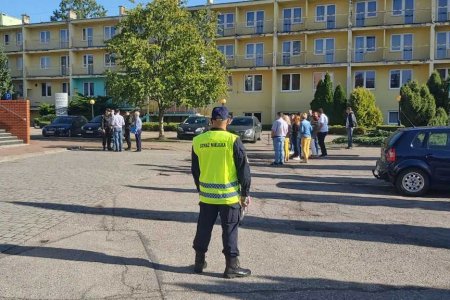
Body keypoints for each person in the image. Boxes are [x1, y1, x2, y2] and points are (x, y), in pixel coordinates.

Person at [191, 106, 251, 279]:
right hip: (229, 196)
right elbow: (243, 170)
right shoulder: (233, 140)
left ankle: (199, 262)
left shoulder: (198, 140)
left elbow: (195, 170)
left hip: (207, 195)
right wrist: (245, 194)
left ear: (211, 121)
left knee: (203, 228)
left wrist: (200, 189)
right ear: (228, 121)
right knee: (230, 229)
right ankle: (231, 266)